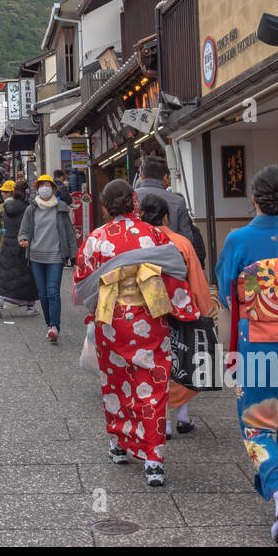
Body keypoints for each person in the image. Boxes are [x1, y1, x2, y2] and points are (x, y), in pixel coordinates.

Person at [74, 182, 201, 487]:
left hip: (111, 320)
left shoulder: (96, 239)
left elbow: (83, 283)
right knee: (152, 385)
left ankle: (119, 443)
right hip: (149, 318)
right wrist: (185, 309)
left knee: (116, 383)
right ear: (134, 203)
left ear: (105, 208)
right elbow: (174, 271)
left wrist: (98, 304)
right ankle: (153, 459)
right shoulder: (153, 235)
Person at [215, 165, 278, 543]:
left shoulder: (237, 240)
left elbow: (227, 304)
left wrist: (229, 354)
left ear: (254, 198)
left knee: (257, 423)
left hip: (256, 343)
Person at [137, 190, 214, 435]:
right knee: (182, 360)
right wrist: (204, 309)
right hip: (181, 310)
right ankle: (182, 415)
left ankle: (164, 422)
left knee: (154, 366)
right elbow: (197, 280)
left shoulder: (139, 242)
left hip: (147, 313)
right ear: (167, 218)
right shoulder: (181, 242)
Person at [18, 174, 77, 343]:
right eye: (41, 185)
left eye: (48, 185)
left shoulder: (61, 208)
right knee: (42, 294)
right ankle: (48, 325)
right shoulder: (31, 208)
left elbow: (69, 233)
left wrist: (74, 255)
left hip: (56, 257)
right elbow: (24, 230)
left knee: (53, 292)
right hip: (36, 256)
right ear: (37, 189)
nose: (45, 188)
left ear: (53, 188)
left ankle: (55, 326)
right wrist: (23, 239)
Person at [134, 155, 206, 268]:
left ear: (142, 176)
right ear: (166, 177)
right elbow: (187, 237)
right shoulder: (178, 201)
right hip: (171, 264)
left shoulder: (131, 198)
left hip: (137, 262)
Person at [0, 180, 39, 318]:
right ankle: (22, 304)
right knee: (25, 277)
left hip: (7, 243)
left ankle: (3, 298)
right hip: (23, 244)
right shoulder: (28, 208)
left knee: (8, 275)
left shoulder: (6, 207)